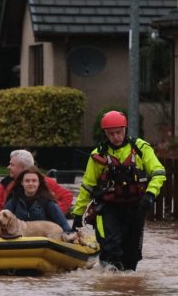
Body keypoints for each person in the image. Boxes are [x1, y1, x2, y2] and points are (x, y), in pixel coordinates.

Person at [71, 110, 165, 271]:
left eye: (119, 132)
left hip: (136, 208)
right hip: (107, 209)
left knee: (132, 256)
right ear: (105, 134)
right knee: (111, 249)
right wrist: (78, 214)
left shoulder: (141, 149)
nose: (116, 137)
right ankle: (109, 285)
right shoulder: (97, 155)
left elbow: (159, 172)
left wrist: (150, 194)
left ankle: (126, 290)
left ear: (125, 129)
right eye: (111, 133)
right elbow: (87, 185)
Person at [0, 149, 73, 238]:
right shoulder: (7, 186)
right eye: (27, 181)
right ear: (22, 183)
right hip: (18, 234)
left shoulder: (45, 184)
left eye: (12, 165)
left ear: (23, 167)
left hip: (44, 235)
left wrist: (51, 217)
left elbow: (66, 197)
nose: (8, 167)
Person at [3, 166, 72, 232]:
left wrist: (70, 238)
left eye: (34, 181)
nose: (30, 183)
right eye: (27, 181)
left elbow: (64, 226)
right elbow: (2, 222)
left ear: (39, 183)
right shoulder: (14, 201)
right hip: (19, 241)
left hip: (43, 241)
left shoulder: (48, 202)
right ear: (22, 183)